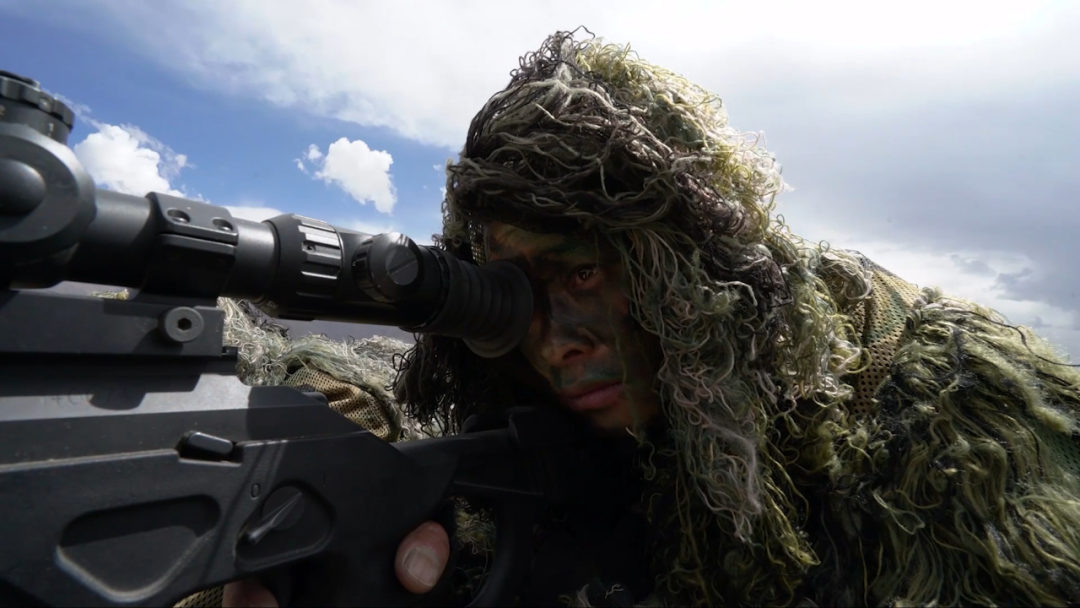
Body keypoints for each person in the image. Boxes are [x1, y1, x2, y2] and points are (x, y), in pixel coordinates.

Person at [224, 29, 1080, 607]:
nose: (554, 343)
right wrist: (342, 444)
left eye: (583, 272)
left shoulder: (944, 411)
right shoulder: (568, 420)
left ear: (689, 269)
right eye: (514, 297)